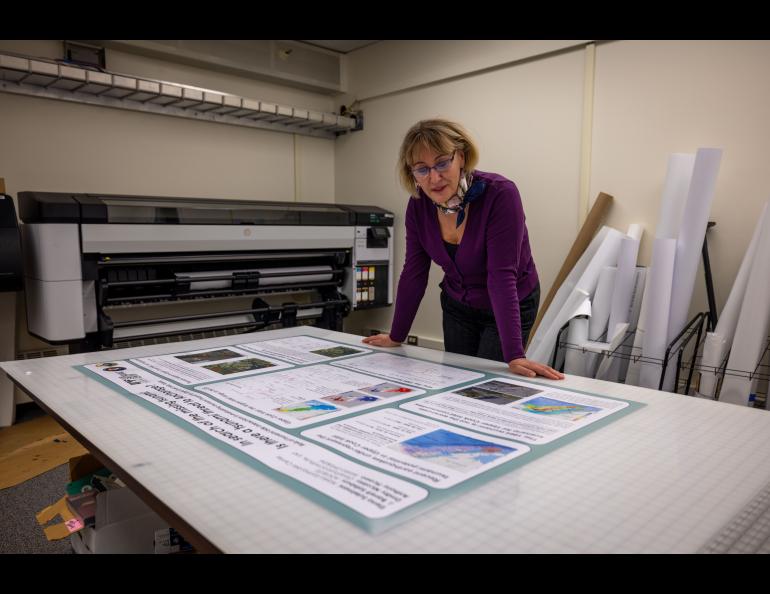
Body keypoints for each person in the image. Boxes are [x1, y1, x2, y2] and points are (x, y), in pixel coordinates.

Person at [362, 118, 564, 380]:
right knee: (457, 382)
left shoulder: (500, 195)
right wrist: (396, 336)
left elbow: (501, 276)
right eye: (422, 169)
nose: (434, 177)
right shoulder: (418, 207)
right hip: (458, 304)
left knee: (489, 387)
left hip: (507, 301)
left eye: (442, 163)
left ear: (462, 156)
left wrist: (514, 354)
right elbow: (414, 273)